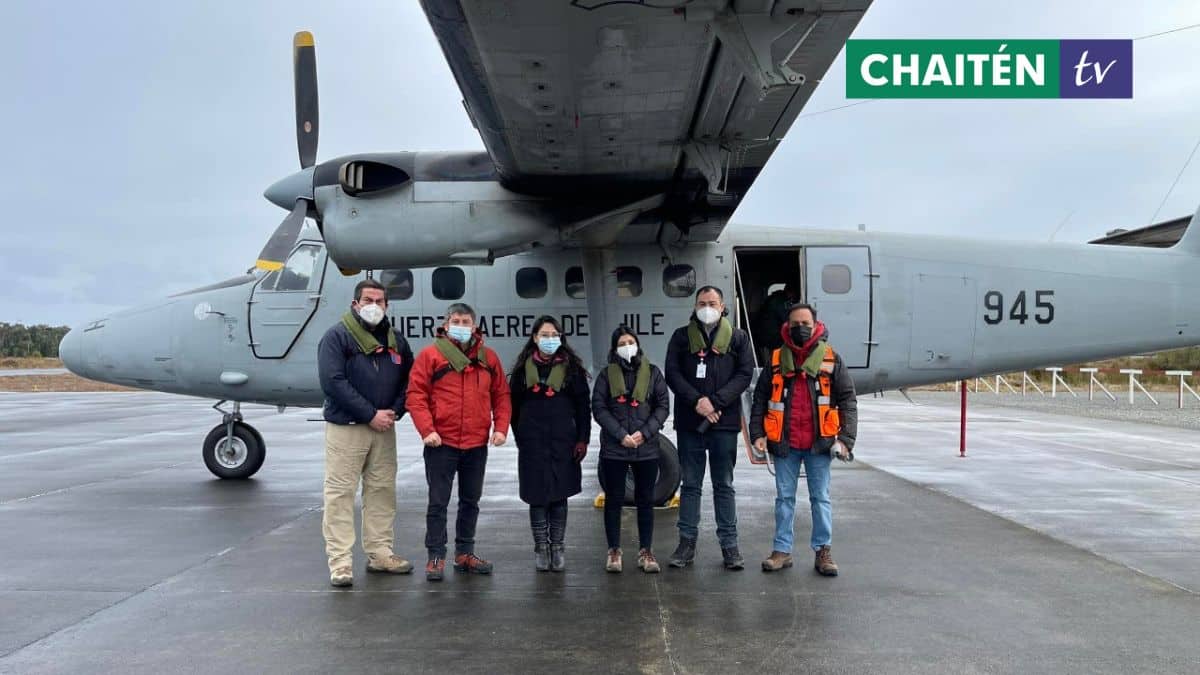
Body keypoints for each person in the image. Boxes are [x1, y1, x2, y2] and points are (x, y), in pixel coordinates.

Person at [317, 279, 414, 587]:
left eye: (380, 301)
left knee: (382, 491)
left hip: (384, 428)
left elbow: (409, 380)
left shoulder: (395, 339)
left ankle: (380, 552)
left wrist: (394, 412)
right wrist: (369, 414)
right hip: (348, 427)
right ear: (355, 304)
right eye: (368, 300)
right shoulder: (337, 337)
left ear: (387, 305)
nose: (374, 306)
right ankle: (340, 562)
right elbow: (333, 381)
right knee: (341, 494)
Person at [749, 303, 858, 576]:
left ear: (815, 324)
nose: (800, 328)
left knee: (820, 498)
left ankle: (823, 551)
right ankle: (782, 551)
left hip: (819, 445)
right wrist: (757, 434)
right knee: (784, 499)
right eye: (795, 324)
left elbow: (848, 400)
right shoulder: (776, 360)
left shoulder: (832, 359)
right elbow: (760, 398)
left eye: (805, 323)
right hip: (785, 444)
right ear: (787, 327)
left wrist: (846, 439)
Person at [406, 302, 511, 582]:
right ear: (446, 324)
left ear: (475, 327)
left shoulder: (488, 358)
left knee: (470, 501)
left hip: (476, 444)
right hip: (441, 443)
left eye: (466, 322)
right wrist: (427, 430)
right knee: (438, 502)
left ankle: (465, 552)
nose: (461, 326)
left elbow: (501, 395)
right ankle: (435, 555)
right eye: (457, 321)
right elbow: (416, 395)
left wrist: (501, 427)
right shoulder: (430, 356)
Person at [664, 285, 754, 570]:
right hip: (691, 422)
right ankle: (686, 543)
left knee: (723, 485)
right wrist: (697, 402)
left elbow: (744, 374)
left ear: (723, 304)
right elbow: (673, 373)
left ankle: (729, 545)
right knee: (690, 484)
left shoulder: (739, 339)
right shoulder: (681, 338)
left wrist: (714, 402)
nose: (707, 306)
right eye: (702, 302)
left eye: (712, 302)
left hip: (724, 423)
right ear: (694, 306)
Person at [508, 316, 591, 572]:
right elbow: (513, 409)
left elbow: (582, 408)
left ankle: (558, 546)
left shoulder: (572, 371)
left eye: (554, 334)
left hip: (563, 444)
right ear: (534, 338)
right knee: (537, 497)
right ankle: (541, 547)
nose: (549, 339)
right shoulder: (522, 372)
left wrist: (582, 440)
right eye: (544, 335)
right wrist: (520, 436)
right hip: (533, 444)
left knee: (559, 496)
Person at [591, 326, 670, 573]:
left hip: (646, 449)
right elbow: (599, 408)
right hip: (615, 449)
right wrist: (620, 434)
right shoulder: (606, 376)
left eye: (630, 341)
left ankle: (646, 551)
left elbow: (662, 406)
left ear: (637, 344)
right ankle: (614, 550)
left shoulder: (654, 373)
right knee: (613, 499)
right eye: (622, 343)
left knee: (645, 500)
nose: (627, 346)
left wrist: (644, 433)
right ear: (615, 349)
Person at [758, 282, 798, 360]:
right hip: (773, 338)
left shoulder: (775, 299)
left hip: (768, 336)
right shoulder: (779, 302)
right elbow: (786, 320)